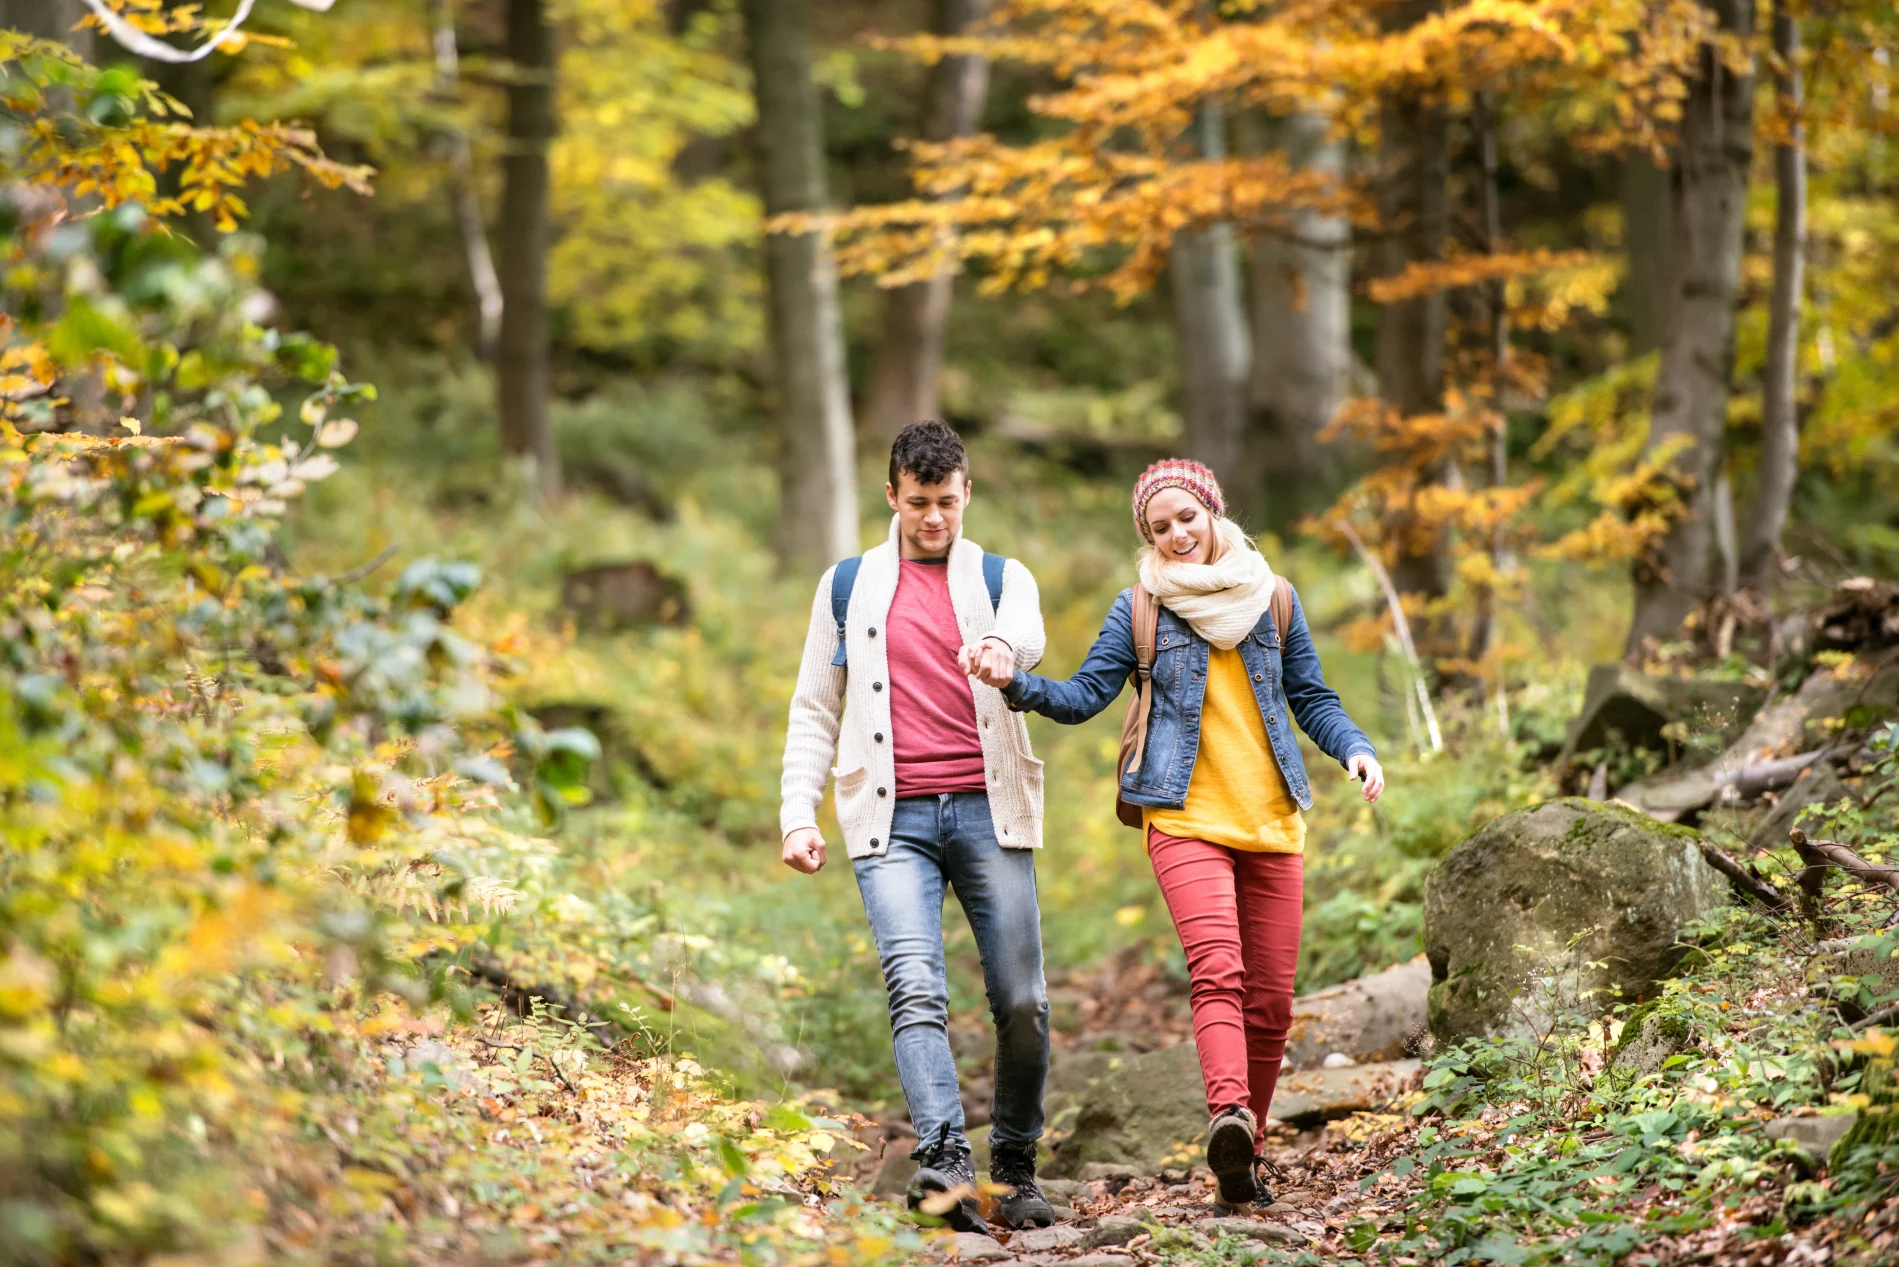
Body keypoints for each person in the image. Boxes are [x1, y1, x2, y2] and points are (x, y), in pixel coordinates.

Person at [961, 458, 1384, 1210]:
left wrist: (1354, 746)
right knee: (1217, 968)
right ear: (1147, 537)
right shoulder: (1140, 609)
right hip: (1181, 816)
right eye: (1159, 527)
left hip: (1271, 819)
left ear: (1213, 512)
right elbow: (1083, 694)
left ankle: (1242, 1152)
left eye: (1186, 517)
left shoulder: (1274, 599)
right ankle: (1228, 1116)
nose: (1176, 534)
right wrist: (1012, 683)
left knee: (1273, 1004)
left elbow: (1311, 695)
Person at [780, 421, 1055, 1235]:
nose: (933, 517)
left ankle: (1014, 1163)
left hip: (987, 809)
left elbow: (1025, 632)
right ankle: (944, 1164)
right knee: (914, 987)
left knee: (1022, 999)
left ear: (966, 491)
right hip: (889, 818)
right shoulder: (847, 585)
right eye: (917, 502)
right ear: (892, 495)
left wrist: (1002, 650)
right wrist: (797, 812)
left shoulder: (1002, 576)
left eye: (946, 501)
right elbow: (812, 710)